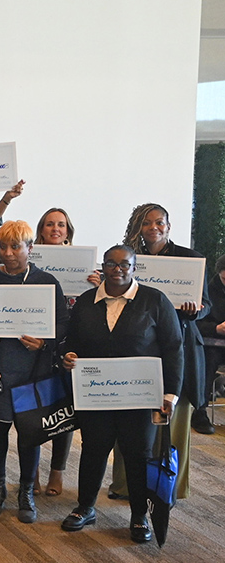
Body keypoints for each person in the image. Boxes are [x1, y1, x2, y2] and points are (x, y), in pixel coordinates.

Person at [59, 245, 183, 544]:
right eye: (111, 264)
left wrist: (170, 394)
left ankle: (139, 515)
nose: (118, 270)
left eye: (124, 264)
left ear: (134, 267)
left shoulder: (155, 300)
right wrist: (67, 355)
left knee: (137, 455)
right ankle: (85, 507)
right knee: (93, 450)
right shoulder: (87, 301)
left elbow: (174, 348)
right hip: (96, 396)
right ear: (103, 267)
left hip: (140, 397)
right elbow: (70, 342)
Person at [106, 203, 211, 500]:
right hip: (136, 351)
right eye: (147, 223)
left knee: (173, 424)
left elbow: (207, 305)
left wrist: (196, 311)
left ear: (169, 225)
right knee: (131, 421)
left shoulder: (190, 260)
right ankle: (126, 485)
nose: (154, 227)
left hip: (179, 349)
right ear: (139, 227)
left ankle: (169, 487)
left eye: (160, 222)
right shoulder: (127, 259)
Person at [0, 221, 68, 524]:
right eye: (2, 247)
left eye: (16, 247)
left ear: (30, 248)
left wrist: (45, 341)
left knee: (29, 435)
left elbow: (63, 323)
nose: (8, 253)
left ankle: (26, 491)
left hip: (32, 372)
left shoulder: (47, 281)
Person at [33, 207, 81, 496]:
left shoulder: (82, 262)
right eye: (49, 224)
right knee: (36, 409)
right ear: (41, 230)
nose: (55, 229)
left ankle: (57, 472)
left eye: (61, 224)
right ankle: (33, 470)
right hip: (37, 344)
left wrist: (94, 285)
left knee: (65, 411)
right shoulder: (31, 259)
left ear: (68, 230)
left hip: (69, 346)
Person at [197, 253, 225, 436]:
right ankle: (199, 412)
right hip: (212, 343)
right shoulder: (206, 289)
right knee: (206, 363)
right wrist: (216, 328)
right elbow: (196, 323)